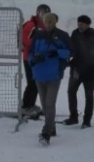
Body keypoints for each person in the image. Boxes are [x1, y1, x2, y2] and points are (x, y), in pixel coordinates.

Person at [28, 12, 72, 145]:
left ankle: (46, 132)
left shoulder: (62, 35)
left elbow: (70, 52)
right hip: (39, 73)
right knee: (44, 103)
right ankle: (51, 128)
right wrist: (33, 60)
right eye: (46, 22)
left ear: (55, 22)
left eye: (51, 22)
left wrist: (57, 53)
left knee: (49, 103)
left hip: (54, 74)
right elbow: (30, 52)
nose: (48, 24)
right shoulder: (38, 35)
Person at [62, 15, 94, 128]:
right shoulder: (75, 34)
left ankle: (87, 120)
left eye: (82, 23)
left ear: (88, 24)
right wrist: (69, 61)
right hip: (76, 69)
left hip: (90, 71)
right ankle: (73, 117)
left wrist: (89, 58)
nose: (79, 25)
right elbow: (72, 50)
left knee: (89, 95)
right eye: (79, 22)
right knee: (71, 92)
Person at [21, 4, 51, 118]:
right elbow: (26, 40)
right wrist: (40, 45)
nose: (44, 15)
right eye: (42, 13)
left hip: (38, 59)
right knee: (32, 82)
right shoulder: (31, 24)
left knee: (36, 82)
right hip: (29, 58)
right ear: (38, 13)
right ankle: (26, 106)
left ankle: (31, 104)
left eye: (46, 13)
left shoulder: (43, 26)